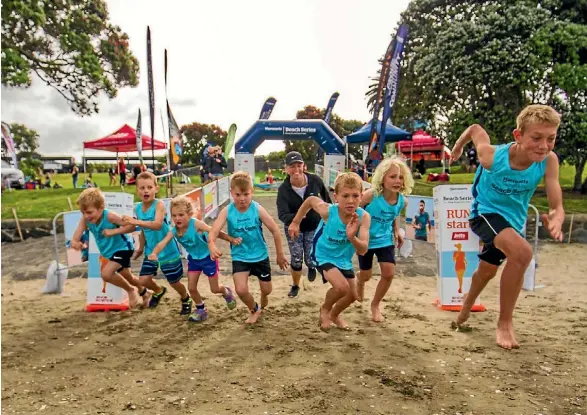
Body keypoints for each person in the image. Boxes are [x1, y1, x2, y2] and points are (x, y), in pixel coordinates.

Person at [450, 104, 564, 349]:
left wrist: (556, 216)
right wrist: (459, 146)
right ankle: (505, 323)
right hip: (484, 214)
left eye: (551, 139)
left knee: (487, 271)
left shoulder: (548, 161)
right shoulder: (491, 157)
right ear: (518, 136)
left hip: (512, 223)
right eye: (536, 138)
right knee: (523, 253)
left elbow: (556, 204)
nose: (544, 146)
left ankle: (464, 310)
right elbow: (475, 129)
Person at [289, 173, 371, 331]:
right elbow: (311, 200)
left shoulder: (363, 217)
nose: (350, 201)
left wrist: (351, 237)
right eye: (345, 196)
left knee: (353, 295)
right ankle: (325, 309)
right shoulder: (328, 211)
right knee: (341, 287)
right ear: (336, 197)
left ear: (361, 197)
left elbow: (363, 250)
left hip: (343, 257)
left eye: (355, 196)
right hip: (323, 253)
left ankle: (334, 314)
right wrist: (296, 221)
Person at [208, 171, 288, 324]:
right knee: (241, 290)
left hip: (260, 256)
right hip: (240, 256)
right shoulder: (227, 211)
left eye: (246, 194)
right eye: (238, 195)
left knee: (267, 290)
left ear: (252, 192)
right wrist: (211, 244)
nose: (242, 199)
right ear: (231, 193)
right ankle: (254, 309)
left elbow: (275, 230)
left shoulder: (257, 209)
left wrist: (280, 254)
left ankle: (264, 296)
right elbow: (214, 231)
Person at [148, 195, 239, 322]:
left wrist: (231, 239)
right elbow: (162, 243)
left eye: (181, 215)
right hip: (194, 260)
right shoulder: (174, 230)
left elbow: (214, 231)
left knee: (214, 289)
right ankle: (201, 309)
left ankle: (226, 292)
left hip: (208, 258)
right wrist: (154, 253)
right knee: (191, 288)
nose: (177, 218)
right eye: (174, 216)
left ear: (189, 214)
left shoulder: (195, 224)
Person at [70, 188, 152, 309]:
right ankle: (145, 292)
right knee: (128, 276)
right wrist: (75, 243)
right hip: (109, 252)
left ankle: (130, 290)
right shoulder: (85, 220)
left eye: (89, 212)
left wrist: (114, 231)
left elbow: (132, 226)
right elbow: (75, 237)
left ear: (101, 208)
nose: (86, 216)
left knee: (106, 274)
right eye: (83, 213)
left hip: (123, 248)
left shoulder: (110, 216)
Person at [356, 157, 413, 322]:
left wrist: (397, 231)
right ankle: (360, 280)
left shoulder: (403, 201)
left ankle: (375, 305)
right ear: (382, 178)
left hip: (385, 241)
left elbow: (393, 215)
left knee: (388, 273)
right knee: (366, 275)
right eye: (392, 176)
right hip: (366, 240)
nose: (397, 181)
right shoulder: (370, 196)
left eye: (401, 177)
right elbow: (353, 208)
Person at [121, 172, 185, 313]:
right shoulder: (137, 208)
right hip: (151, 250)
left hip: (167, 249)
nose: (146, 191)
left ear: (156, 189)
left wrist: (135, 221)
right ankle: (158, 290)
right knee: (143, 280)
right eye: (142, 188)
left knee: (174, 282)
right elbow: (144, 230)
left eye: (149, 187)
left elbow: (157, 224)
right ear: (137, 190)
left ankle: (185, 298)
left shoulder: (159, 205)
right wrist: (141, 248)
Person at [277, 151, 331, 298]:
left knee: (310, 255)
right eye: (292, 166)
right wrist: (298, 217)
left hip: (314, 225)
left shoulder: (315, 181)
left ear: (304, 166)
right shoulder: (283, 189)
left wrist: (330, 219)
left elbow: (328, 202)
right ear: (286, 169)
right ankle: (295, 285)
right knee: (296, 258)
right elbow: (282, 214)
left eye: (299, 165)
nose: (296, 170)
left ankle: (312, 266)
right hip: (294, 228)